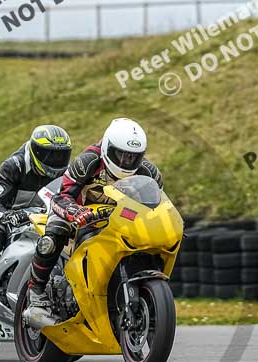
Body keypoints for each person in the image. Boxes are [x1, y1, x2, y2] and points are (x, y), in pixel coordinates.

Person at [24, 118, 163, 323]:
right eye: (121, 154)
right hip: (78, 214)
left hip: (117, 219)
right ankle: (36, 293)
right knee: (54, 235)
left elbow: (157, 206)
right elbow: (62, 196)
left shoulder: (149, 173)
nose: (126, 161)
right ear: (107, 147)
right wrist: (75, 212)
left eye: (133, 157)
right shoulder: (88, 161)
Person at [0, 125, 72, 302]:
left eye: (61, 155)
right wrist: (7, 216)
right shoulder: (15, 165)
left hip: (35, 216)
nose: (56, 161)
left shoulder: (67, 172)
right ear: (36, 151)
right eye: (49, 155)